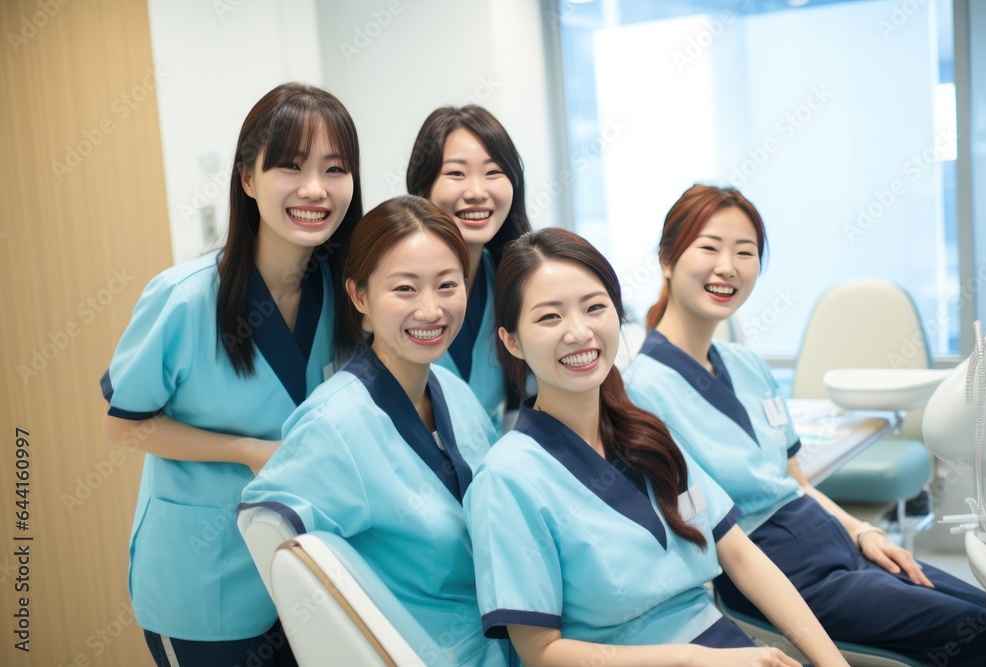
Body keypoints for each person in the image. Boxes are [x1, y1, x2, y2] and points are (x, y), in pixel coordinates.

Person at [624, 184, 986, 665]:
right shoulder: (639, 390)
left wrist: (863, 532)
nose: (728, 266)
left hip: (832, 537)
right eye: (709, 247)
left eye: (746, 252)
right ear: (667, 259)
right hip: (773, 566)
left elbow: (796, 481)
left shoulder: (747, 365)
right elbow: (700, 530)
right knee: (981, 634)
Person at [466, 227, 848, 666]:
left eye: (595, 308)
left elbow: (740, 554)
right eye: (549, 317)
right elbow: (542, 653)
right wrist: (691, 659)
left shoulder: (647, 434)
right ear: (512, 340)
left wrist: (831, 662)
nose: (579, 332)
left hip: (724, 644)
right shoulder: (507, 479)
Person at [100, 82, 363, 666]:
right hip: (205, 585)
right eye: (291, 167)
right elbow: (123, 427)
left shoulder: (347, 295)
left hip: (315, 578)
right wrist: (246, 450)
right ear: (248, 179)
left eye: (335, 168)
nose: (315, 189)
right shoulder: (184, 299)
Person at [238, 195, 511, 666]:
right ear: (360, 296)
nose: (431, 310)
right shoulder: (335, 424)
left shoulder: (452, 390)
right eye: (405, 289)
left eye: (448, 285)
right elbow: (267, 530)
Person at [407, 106, 531, 427]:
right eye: (456, 174)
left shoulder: (515, 283)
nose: (477, 192)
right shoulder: (391, 286)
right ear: (423, 189)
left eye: (493, 173)